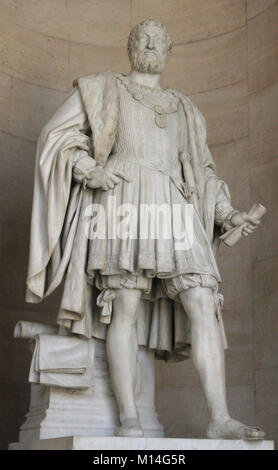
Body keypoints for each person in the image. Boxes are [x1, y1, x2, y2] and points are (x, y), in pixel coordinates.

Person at [26, 19, 264, 439]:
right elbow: (57, 137)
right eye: (143, 38)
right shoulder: (103, 87)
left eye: (159, 40)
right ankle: (130, 417)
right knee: (126, 305)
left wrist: (227, 214)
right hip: (124, 197)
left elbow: (203, 171)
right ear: (130, 46)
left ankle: (220, 418)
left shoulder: (185, 108)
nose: (151, 45)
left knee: (203, 299)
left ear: (171, 52)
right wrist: (88, 170)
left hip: (174, 205)